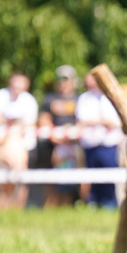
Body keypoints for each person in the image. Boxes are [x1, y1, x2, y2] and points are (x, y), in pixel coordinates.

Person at [0, 73, 39, 209]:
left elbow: (29, 124)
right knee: (4, 180)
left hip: (23, 145)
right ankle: (3, 208)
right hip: (3, 144)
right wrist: (10, 122)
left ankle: (18, 209)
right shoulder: (0, 96)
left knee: (21, 181)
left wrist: (7, 121)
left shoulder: (29, 101)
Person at [76, 72, 123, 208]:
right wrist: (101, 122)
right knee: (92, 177)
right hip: (90, 144)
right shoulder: (84, 98)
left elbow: (114, 122)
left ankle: (109, 204)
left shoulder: (111, 97)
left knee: (109, 176)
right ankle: (94, 203)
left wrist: (94, 122)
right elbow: (81, 121)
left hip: (108, 144)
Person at [38, 65, 81, 206]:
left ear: (73, 81)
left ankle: (70, 206)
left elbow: (82, 122)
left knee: (72, 182)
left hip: (73, 145)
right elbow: (44, 119)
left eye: (66, 79)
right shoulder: (49, 99)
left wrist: (70, 137)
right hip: (53, 145)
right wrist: (55, 137)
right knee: (52, 179)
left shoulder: (80, 99)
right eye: (59, 79)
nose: (62, 83)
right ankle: (50, 206)